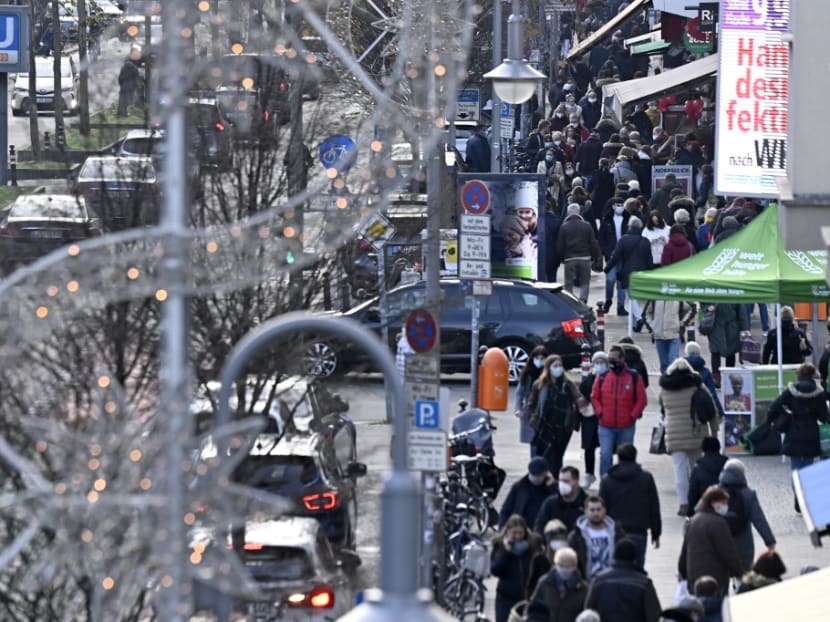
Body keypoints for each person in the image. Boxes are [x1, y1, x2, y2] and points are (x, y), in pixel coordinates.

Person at [658, 358, 719, 516]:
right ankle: (699, 502)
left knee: (679, 470)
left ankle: (683, 504)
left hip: (674, 433)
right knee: (696, 469)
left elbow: (663, 409)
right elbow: (711, 408)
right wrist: (714, 432)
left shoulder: (665, 388)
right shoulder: (697, 386)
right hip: (696, 433)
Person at [767, 362, 830, 513]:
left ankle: (798, 497)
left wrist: (776, 420)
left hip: (794, 432)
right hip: (811, 433)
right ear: (812, 375)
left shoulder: (791, 391)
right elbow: (824, 417)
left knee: (795, 468)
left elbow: (774, 407)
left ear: (799, 375)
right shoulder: (819, 393)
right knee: (808, 467)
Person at [598, 444, 661, 569]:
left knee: (613, 568)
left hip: (614, 532)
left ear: (618, 458)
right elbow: (654, 506)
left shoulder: (607, 480)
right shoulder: (646, 478)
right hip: (639, 532)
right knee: (637, 569)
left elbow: (601, 507)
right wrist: (656, 532)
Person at [591, 344, 647, 476]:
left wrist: (632, 416)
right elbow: (594, 396)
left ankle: (625, 482)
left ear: (622, 359)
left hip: (626, 425)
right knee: (605, 455)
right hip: (605, 425)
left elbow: (641, 400)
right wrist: (600, 413)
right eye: (609, 359)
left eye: (613, 359)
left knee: (626, 458)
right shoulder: (603, 376)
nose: (611, 362)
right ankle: (605, 484)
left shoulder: (634, 377)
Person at [677, 486, 743, 595]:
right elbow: (728, 552)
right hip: (715, 578)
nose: (725, 506)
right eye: (723, 502)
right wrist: (739, 572)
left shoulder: (693, 521)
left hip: (694, 578)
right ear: (713, 502)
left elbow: (685, 551)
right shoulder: (719, 523)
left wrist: (683, 573)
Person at [717, 459, 776, 573]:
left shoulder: (713, 492)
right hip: (743, 545)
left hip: (719, 543)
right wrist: (770, 541)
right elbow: (759, 520)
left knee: (720, 577)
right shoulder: (748, 494)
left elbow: (699, 515)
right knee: (743, 577)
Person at [528, 355, 584, 475]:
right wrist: (533, 417)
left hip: (563, 427)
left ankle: (555, 481)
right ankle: (546, 480)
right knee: (546, 455)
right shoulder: (539, 384)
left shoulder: (568, 384)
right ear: (548, 368)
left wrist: (581, 403)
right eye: (555, 366)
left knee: (557, 457)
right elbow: (531, 403)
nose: (558, 368)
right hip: (544, 425)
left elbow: (578, 397)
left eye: (560, 366)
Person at [584, 539, 661, 622]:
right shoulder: (644, 583)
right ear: (634, 559)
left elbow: (588, 612)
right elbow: (654, 615)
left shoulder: (598, 580)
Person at [491, 514, 543, 622]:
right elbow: (495, 570)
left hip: (526, 599)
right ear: (508, 531)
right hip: (505, 598)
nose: (518, 536)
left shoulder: (532, 545)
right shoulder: (499, 545)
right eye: (514, 533)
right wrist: (507, 551)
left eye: (521, 533)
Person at [604, 216, 654, 324]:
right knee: (636, 296)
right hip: (642, 272)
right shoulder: (645, 241)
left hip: (627, 272)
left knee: (631, 297)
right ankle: (638, 318)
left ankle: (638, 318)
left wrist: (607, 268)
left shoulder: (623, 240)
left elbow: (616, 256)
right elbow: (650, 260)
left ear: (629, 227)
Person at [567, 495, 623, 581]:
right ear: (585, 511)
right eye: (592, 510)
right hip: (587, 582)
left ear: (604, 510)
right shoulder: (576, 536)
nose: (596, 513)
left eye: (599, 509)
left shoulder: (617, 533)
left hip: (612, 581)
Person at [526, 547, 588, 622]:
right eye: (561, 566)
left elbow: (586, 612)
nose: (564, 569)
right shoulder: (545, 582)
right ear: (555, 564)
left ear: (574, 566)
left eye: (568, 566)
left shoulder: (583, 588)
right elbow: (533, 607)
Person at [499, 457, 558, 529]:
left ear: (546, 473)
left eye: (538, 474)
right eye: (533, 474)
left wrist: (552, 487)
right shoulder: (519, 487)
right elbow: (505, 511)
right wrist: (503, 530)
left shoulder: (554, 488)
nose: (535, 477)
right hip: (521, 531)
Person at [557, 203, 599, 303]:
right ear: (579, 212)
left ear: (568, 213)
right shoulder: (587, 226)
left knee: (568, 282)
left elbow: (559, 245)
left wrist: (561, 258)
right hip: (585, 258)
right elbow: (593, 243)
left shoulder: (564, 227)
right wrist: (593, 257)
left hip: (569, 258)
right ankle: (583, 301)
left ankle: (570, 301)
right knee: (585, 282)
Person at [577, 352, 606, 489]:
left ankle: (605, 476)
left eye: (602, 362)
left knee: (606, 449)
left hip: (605, 418)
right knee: (589, 448)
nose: (599, 365)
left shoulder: (610, 379)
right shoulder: (588, 380)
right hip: (589, 419)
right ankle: (589, 473)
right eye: (597, 362)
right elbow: (581, 400)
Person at [597, 197, 630, 315]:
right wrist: (605, 251)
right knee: (610, 280)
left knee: (621, 281)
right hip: (611, 254)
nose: (620, 206)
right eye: (617, 204)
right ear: (613, 206)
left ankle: (620, 306)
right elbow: (601, 238)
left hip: (624, 254)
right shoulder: (607, 220)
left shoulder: (628, 219)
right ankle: (608, 300)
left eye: (621, 204)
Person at [516, 346, 550, 455]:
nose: (539, 361)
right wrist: (518, 409)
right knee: (533, 441)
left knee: (545, 441)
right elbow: (519, 392)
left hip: (546, 410)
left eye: (542, 358)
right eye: (537, 358)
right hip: (531, 410)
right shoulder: (527, 373)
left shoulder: (549, 373)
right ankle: (535, 468)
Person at [534, 466, 588, 534]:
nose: (562, 485)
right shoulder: (550, 503)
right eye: (560, 481)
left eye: (566, 481)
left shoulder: (587, 504)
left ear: (576, 481)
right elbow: (539, 526)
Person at [707, 304, 748, 387]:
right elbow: (703, 300)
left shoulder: (735, 292)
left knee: (731, 352)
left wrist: (744, 328)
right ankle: (716, 378)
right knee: (715, 351)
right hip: (715, 325)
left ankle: (729, 377)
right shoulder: (712, 290)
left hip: (731, 327)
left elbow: (741, 310)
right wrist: (707, 307)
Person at [526, 519, 570, 596]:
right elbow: (531, 587)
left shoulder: (570, 557)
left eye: (561, 538)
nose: (559, 542)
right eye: (555, 539)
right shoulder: (539, 560)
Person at [649, 300, 695, 373]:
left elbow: (691, 309)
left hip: (674, 335)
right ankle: (666, 382)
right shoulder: (655, 298)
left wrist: (683, 322)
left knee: (673, 361)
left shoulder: (677, 298)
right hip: (659, 335)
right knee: (664, 364)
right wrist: (652, 325)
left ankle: (673, 381)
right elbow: (648, 312)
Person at [686, 437, 728, 516]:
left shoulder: (698, 468)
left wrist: (690, 513)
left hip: (705, 509)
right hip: (726, 507)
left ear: (703, 449)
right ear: (718, 447)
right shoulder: (728, 465)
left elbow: (693, 493)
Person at [684, 342, 725, 419]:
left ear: (687, 353)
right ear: (699, 353)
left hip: (683, 409)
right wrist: (720, 412)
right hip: (700, 411)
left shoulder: (679, 369)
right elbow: (712, 394)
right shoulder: (706, 372)